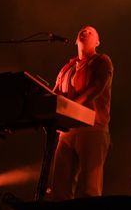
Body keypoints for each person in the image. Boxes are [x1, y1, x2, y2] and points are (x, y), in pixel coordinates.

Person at [49, 26, 114, 199]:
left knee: (89, 189)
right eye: (82, 31)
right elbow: (54, 94)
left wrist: (71, 108)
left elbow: (97, 87)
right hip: (67, 130)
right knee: (59, 189)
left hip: (93, 128)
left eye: (91, 32)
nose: (85, 32)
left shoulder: (102, 60)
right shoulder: (66, 68)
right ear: (77, 40)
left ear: (97, 42)